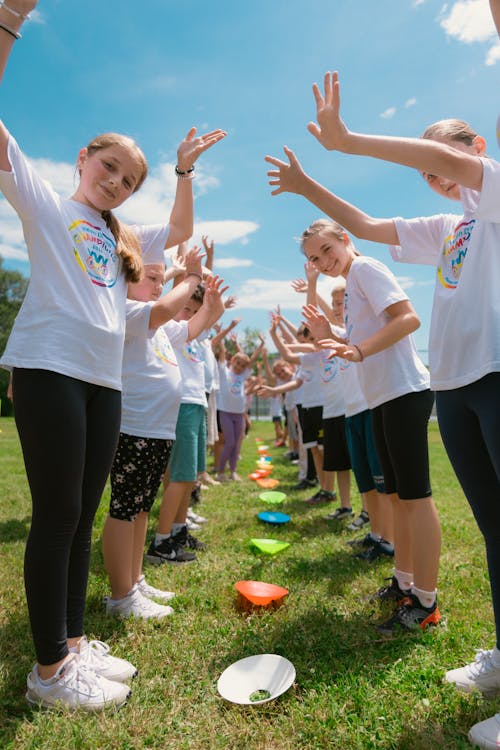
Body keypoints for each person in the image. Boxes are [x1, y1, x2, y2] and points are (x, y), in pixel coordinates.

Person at [0, 0, 227, 711]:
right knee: (58, 513)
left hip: (104, 381)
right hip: (50, 369)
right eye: (109, 167)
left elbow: (182, 231)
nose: (117, 182)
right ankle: (47, 676)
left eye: (129, 179)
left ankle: (70, 645)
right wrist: (9, 19)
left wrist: (182, 171)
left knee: (85, 506)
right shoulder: (48, 205)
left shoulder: (119, 237)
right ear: (82, 160)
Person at [289, 67, 499, 748]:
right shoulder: (451, 226)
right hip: (457, 383)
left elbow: (446, 159)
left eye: (446, 166)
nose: (438, 181)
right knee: (494, 530)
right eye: (431, 179)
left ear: (477, 147)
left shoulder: (492, 193)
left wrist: (348, 143)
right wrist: (310, 186)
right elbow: (364, 224)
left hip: (494, 375)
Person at [266, 138, 442, 633]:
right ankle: (404, 582)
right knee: (401, 499)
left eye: (327, 250)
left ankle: (425, 602)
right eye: (317, 259)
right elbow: (362, 336)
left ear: (344, 238)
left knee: (415, 497)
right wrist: (334, 335)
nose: (325, 261)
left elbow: (407, 320)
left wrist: (357, 348)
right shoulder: (354, 277)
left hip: (405, 392)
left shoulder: (365, 266)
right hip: (382, 396)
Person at [101, 249, 205, 619]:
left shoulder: (158, 327)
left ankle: (134, 580)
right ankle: (119, 597)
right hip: (134, 429)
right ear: (127, 277)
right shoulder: (128, 311)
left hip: (157, 431)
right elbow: (163, 310)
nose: (160, 286)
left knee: (141, 509)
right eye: (152, 278)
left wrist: (207, 288)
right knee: (125, 509)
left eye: (163, 280)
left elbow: (193, 326)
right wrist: (189, 277)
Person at [146, 277, 227, 564]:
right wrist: (190, 273)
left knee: (190, 477)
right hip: (181, 405)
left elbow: (211, 316)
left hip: (195, 405)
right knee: (180, 478)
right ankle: (161, 541)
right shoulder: (168, 329)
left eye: (195, 311)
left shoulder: (195, 333)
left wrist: (213, 303)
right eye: (186, 309)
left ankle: (178, 532)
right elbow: (182, 304)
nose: (190, 316)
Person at [212, 332, 265, 482]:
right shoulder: (224, 372)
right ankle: (220, 471)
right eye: (237, 363)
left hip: (239, 414)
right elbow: (222, 353)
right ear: (232, 361)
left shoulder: (243, 375)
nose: (240, 367)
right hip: (225, 413)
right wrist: (221, 336)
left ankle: (233, 471)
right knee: (229, 442)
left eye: (243, 365)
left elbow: (251, 359)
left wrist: (261, 345)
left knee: (236, 445)